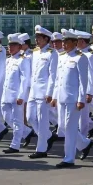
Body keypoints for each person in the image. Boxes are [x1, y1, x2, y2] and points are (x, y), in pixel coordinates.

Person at [55, 30, 93, 167]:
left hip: (73, 98)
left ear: (74, 43)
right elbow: (57, 79)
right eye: (63, 42)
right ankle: (85, 143)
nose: (64, 44)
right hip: (61, 97)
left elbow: (83, 81)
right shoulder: (61, 57)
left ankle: (69, 158)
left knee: (70, 128)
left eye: (67, 42)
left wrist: (81, 100)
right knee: (63, 127)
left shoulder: (80, 58)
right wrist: (55, 96)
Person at [26, 26, 58, 158]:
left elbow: (53, 75)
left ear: (46, 39)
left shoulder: (52, 53)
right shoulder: (35, 52)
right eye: (36, 37)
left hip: (44, 92)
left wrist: (50, 93)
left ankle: (41, 149)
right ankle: (48, 136)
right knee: (30, 118)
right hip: (33, 91)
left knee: (42, 120)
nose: (36, 40)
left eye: (39, 38)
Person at [1, 34, 32, 154]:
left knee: (17, 121)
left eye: (13, 45)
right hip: (6, 95)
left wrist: (21, 96)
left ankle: (15, 145)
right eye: (9, 45)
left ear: (20, 47)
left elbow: (25, 80)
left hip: (16, 96)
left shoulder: (23, 60)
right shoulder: (8, 60)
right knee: (6, 117)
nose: (10, 47)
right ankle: (27, 132)